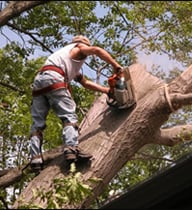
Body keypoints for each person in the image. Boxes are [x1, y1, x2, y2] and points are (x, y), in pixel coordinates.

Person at [29, 35, 122, 171]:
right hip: (54, 78)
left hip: (39, 82)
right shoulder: (79, 47)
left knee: (37, 124)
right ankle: (71, 149)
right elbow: (97, 50)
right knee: (69, 118)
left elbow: (85, 83)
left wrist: (106, 90)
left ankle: (35, 159)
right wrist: (116, 66)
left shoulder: (64, 59)